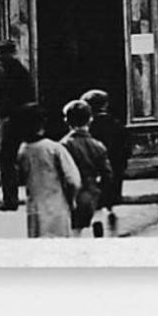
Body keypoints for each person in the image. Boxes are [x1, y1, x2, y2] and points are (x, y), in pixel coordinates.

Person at [16, 109, 81, 239]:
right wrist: (72, 199)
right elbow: (73, 179)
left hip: (34, 210)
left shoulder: (23, 151)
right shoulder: (54, 148)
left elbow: (21, 177)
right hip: (57, 208)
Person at [0, 40, 36, 212]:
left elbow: (4, 98)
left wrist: (5, 115)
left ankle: (10, 200)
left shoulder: (8, 71)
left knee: (7, 161)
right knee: (14, 160)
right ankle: (14, 198)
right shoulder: (19, 70)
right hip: (18, 120)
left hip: (11, 121)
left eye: (1, 55)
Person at [60, 99, 112, 238]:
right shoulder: (98, 146)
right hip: (93, 191)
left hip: (72, 194)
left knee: (76, 231)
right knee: (97, 218)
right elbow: (107, 174)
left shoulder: (63, 146)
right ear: (90, 120)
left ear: (67, 121)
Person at [81, 89, 130, 233]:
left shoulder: (89, 127)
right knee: (111, 187)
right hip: (114, 163)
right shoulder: (116, 123)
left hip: (95, 166)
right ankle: (110, 208)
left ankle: (98, 217)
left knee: (97, 192)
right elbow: (125, 146)